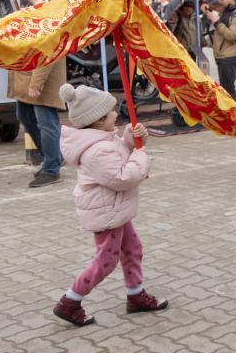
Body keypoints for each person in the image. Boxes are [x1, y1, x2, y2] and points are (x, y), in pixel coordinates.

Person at [51, 84, 168, 325]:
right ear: (98, 120)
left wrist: (131, 140)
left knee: (132, 248)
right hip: (107, 213)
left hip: (115, 210)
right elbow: (121, 177)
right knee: (106, 260)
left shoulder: (103, 140)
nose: (116, 114)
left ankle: (136, 294)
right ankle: (70, 302)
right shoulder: (96, 150)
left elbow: (118, 152)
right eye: (112, 111)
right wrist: (141, 155)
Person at [8, 0, 67, 188]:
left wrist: (37, 83)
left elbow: (47, 50)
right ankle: (53, 157)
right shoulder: (36, 8)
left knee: (46, 122)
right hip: (28, 75)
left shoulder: (48, 11)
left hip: (42, 76)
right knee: (24, 115)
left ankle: (51, 169)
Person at [204, 0, 236, 103]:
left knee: (228, 91)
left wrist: (216, 21)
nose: (220, 1)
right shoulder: (226, 11)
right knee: (226, 89)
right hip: (223, 55)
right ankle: (233, 110)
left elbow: (232, 35)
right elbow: (214, 5)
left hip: (229, 56)